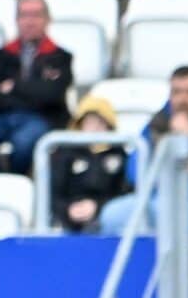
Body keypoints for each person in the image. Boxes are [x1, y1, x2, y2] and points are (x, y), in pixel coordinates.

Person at [99, 68, 188, 298]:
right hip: (159, 201)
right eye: (177, 92)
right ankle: (128, 297)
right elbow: (135, 173)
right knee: (113, 214)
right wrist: (165, 150)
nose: (183, 99)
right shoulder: (156, 124)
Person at [0, 0, 72, 174]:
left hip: (41, 119)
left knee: (24, 144)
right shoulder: (1, 55)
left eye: (36, 15)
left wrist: (14, 87)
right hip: (1, 116)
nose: (30, 22)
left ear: (47, 20)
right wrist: (34, 90)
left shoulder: (61, 57)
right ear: (17, 20)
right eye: (24, 15)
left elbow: (52, 96)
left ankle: (16, 182)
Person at [48, 96, 132, 233]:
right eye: (89, 122)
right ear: (79, 125)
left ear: (109, 126)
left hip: (106, 221)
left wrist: (98, 207)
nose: (94, 129)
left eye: (101, 123)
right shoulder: (64, 153)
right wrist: (68, 209)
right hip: (66, 221)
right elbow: (52, 192)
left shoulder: (119, 154)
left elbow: (124, 194)